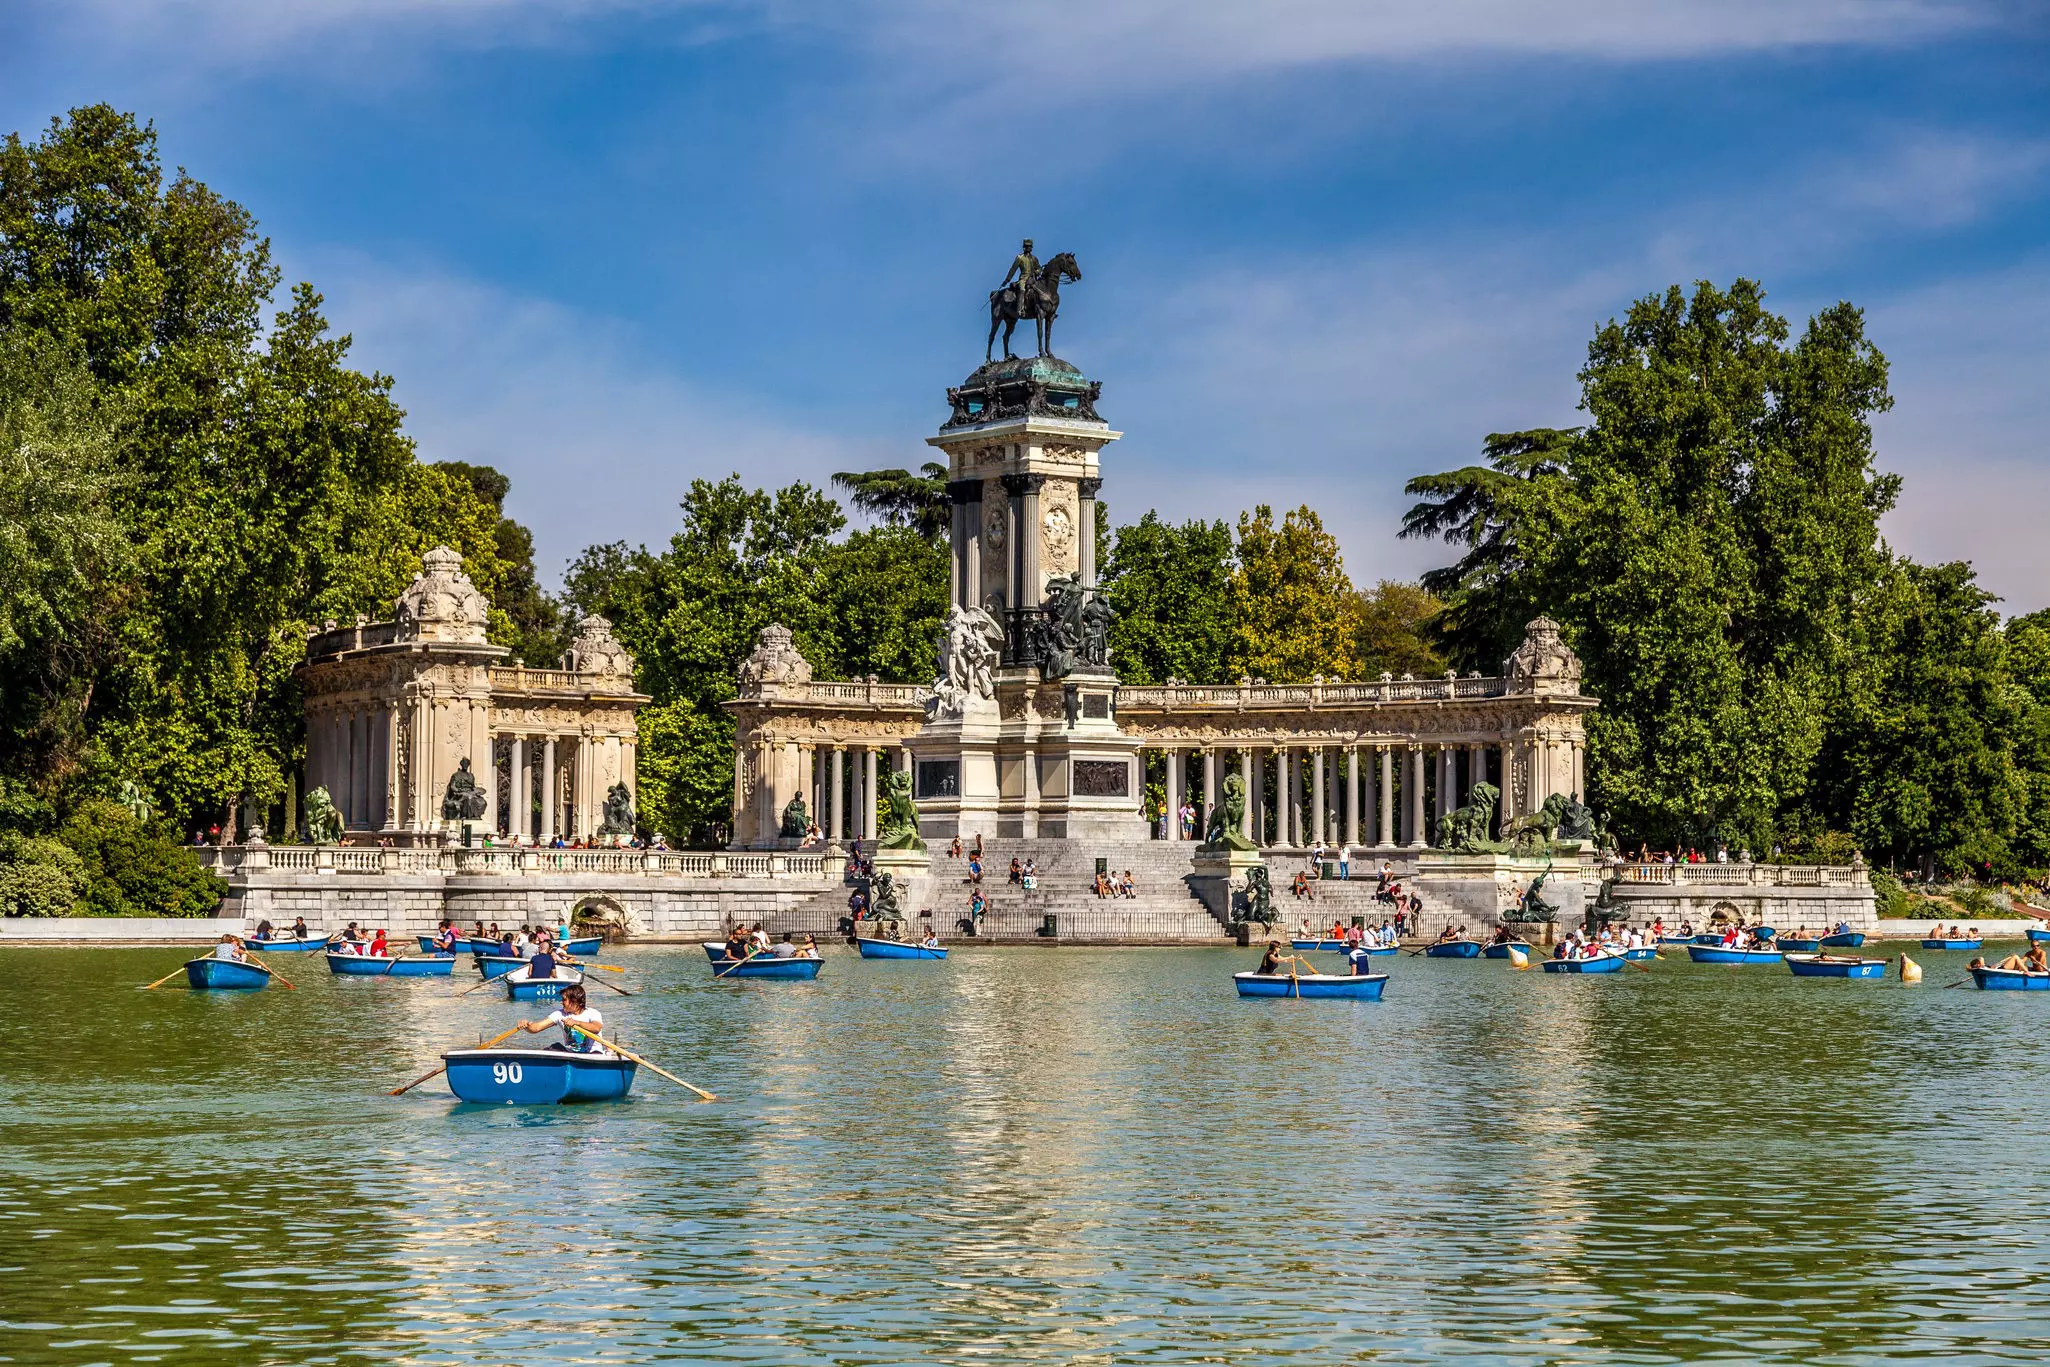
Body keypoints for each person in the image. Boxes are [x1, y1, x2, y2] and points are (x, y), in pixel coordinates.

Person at [520, 984, 606, 1053]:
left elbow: (596, 1028)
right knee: (554, 1047)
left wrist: (577, 1023)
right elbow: (536, 1027)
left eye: (564, 1000)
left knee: (596, 1053)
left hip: (593, 1053)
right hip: (571, 1053)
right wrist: (527, 1026)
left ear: (575, 1001)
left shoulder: (593, 1013)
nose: (561, 1002)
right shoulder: (560, 1014)